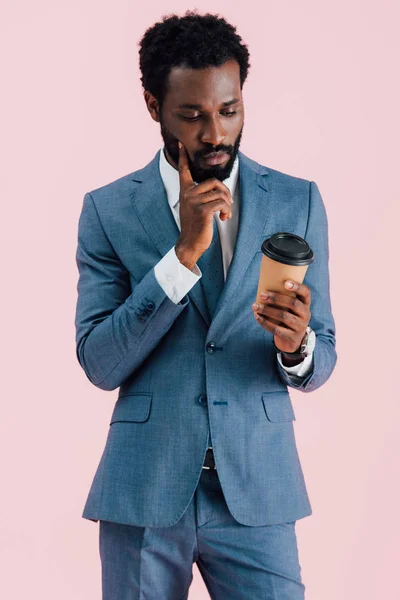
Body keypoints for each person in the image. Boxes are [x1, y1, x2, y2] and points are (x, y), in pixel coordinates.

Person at [74, 9, 337, 599]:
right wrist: (182, 258)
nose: (214, 134)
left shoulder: (297, 200)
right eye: (191, 116)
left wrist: (298, 347)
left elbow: (324, 356)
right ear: (152, 105)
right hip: (144, 488)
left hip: (259, 487)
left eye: (229, 110)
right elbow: (99, 362)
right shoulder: (109, 210)